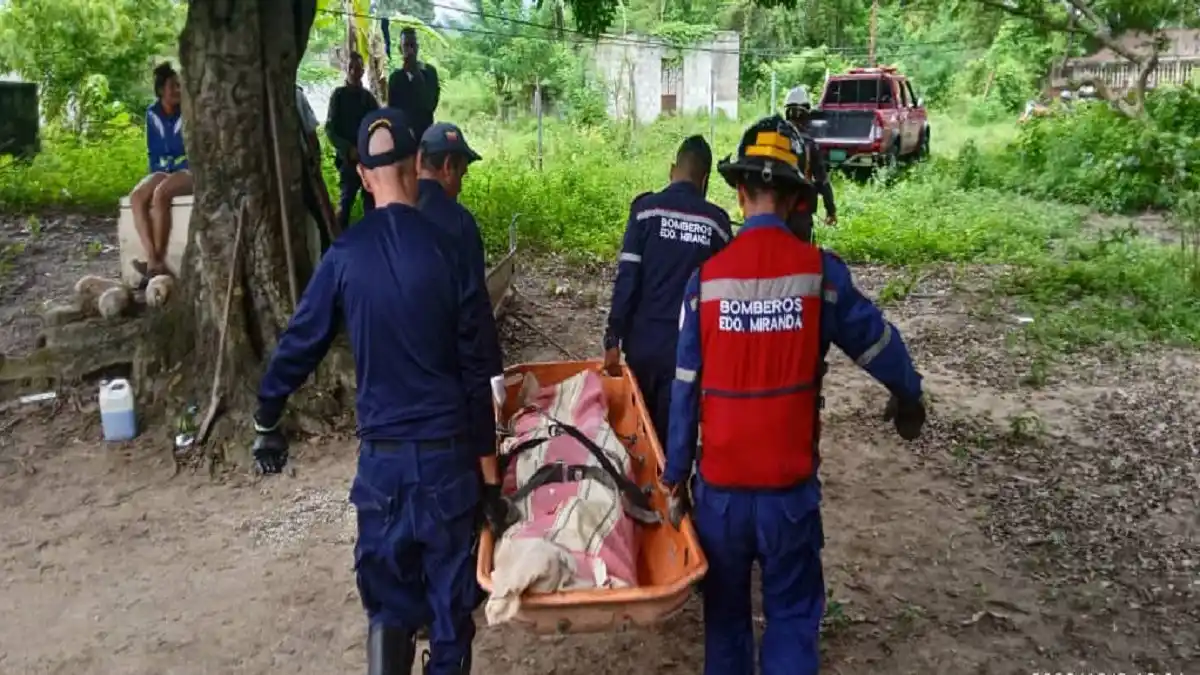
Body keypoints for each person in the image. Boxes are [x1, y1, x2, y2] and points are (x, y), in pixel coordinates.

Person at [661, 115, 927, 675]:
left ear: (739, 193)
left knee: (727, 620)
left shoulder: (704, 283)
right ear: (795, 198)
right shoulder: (819, 275)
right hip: (789, 499)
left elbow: (684, 392)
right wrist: (909, 398)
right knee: (790, 618)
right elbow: (875, 342)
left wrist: (674, 479)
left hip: (722, 499)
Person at [250, 107, 507, 675]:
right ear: (419, 165)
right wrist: (491, 484)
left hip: (383, 471)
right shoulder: (450, 250)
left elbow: (300, 343)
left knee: (388, 609)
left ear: (364, 177)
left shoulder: (345, 256)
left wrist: (268, 416)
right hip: (448, 464)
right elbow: (478, 369)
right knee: (449, 615)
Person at [602, 135, 731, 448]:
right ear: (705, 179)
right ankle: (672, 493)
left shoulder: (645, 211)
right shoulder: (717, 223)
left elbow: (627, 279)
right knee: (677, 438)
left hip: (643, 347)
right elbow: (725, 296)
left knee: (642, 434)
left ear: (673, 169)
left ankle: (645, 493)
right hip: (688, 354)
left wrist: (612, 338)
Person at [130, 62, 192, 284]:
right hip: (161, 168)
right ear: (160, 91)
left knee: (161, 193)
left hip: (187, 169)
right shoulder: (151, 113)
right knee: (137, 197)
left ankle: (156, 263)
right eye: (173, 86)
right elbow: (154, 149)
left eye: (179, 86)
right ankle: (154, 260)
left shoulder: (189, 110)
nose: (178, 90)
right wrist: (162, 169)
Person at [326, 51, 381, 231]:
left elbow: (378, 125)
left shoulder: (368, 98)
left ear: (363, 71)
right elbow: (331, 129)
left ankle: (370, 245)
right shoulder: (338, 96)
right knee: (344, 205)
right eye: (351, 68)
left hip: (367, 160)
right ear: (346, 69)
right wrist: (347, 149)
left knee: (371, 207)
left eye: (358, 68)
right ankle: (337, 245)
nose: (354, 72)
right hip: (348, 162)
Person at [783, 86, 837, 243]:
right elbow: (822, 180)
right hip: (800, 214)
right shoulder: (808, 144)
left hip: (774, 213)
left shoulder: (774, 140)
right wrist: (830, 210)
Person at [296, 83, 337, 253]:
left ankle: (328, 248)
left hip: (303, 162)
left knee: (318, 210)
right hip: (285, 166)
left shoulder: (296, 95)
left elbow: (311, 131)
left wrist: (316, 159)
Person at [388, 27, 440, 140]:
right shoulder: (395, 78)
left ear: (417, 47)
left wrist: (416, 73)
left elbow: (430, 105)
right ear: (400, 49)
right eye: (406, 45)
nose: (410, 50)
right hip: (403, 137)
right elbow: (393, 112)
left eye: (413, 45)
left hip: (426, 136)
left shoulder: (429, 72)